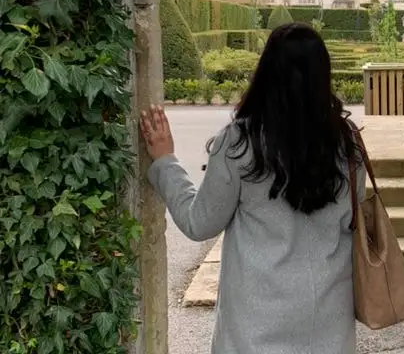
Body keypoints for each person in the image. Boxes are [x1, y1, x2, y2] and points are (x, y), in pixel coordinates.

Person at [139, 22, 365, 354]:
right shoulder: (347, 145)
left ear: (266, 73)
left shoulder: (241, 144)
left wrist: (165, 162)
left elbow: (199, 223)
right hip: (328, 326)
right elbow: (352, 219)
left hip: (253, 329)